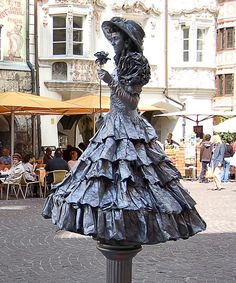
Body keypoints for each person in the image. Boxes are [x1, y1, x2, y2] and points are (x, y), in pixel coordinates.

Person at [42, 17, 206, 245]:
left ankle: (127, 225)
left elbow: (131, 103)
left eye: (116, 37)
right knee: (102, 178)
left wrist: (111, 82)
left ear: (128, 40)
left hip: (128, 128)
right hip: (112, 126)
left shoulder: (135, 63)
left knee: (133, 181)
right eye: (111, 37)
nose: (112, 41)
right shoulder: (120, 63)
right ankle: (112, 226)